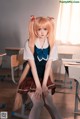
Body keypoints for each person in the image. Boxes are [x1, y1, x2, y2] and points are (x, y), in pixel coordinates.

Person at [13, 16, 62, 119]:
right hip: (31, 78)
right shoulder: (29, 44)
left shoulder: (52, 44)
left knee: (50, 103)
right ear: (35, 30)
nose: (42, 32)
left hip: (44, 78)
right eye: (39, 29)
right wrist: (38, 87)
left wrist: (44, 85)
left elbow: (48, 65)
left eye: (45, 29)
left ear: (49, 29)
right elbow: (33, 67)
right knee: (38, 103)